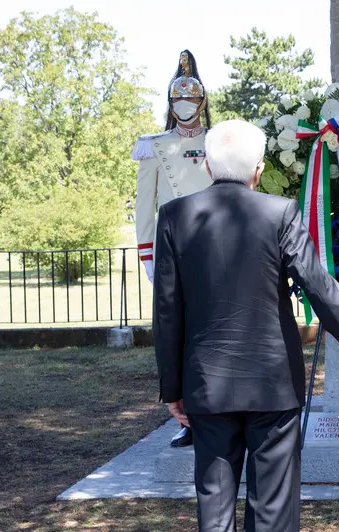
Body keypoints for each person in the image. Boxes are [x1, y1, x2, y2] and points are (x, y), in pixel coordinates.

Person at [153, 120, 339, 532]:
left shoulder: (175, 216)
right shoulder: (279, 212)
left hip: (206, 384)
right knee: (273, 512)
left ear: (209, 167)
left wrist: (172, 388)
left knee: (213, 510)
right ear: (257, 170)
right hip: (272, 383)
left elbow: (166, 309)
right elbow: (322, 290)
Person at [132, 49, 214, 448]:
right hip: (174, 253)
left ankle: (218, 408)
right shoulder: (153, 147)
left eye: (191, 99)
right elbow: (143, 208)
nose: (185, 106)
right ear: (169, 103)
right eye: (178, 100)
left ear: (202, 102)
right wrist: (149, 256)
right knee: (178, 336)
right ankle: (188, 418)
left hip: (218, 251)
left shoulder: (219, 140)